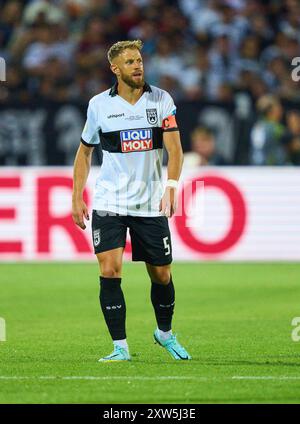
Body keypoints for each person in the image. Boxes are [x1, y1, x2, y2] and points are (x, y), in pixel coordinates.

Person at [72, 40, 191, 362]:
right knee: (110, 271)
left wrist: (171, 185)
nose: (137, 66)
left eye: (139, 60)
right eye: (129, 62)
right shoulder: (99, 105)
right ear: (115, 69)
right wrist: (76, 195)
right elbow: (84, 152)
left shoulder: (161, 100)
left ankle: (164, 333)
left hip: (150, 203)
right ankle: (120, 347)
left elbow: (175, 150)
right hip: (110, 202)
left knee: (161, 274)